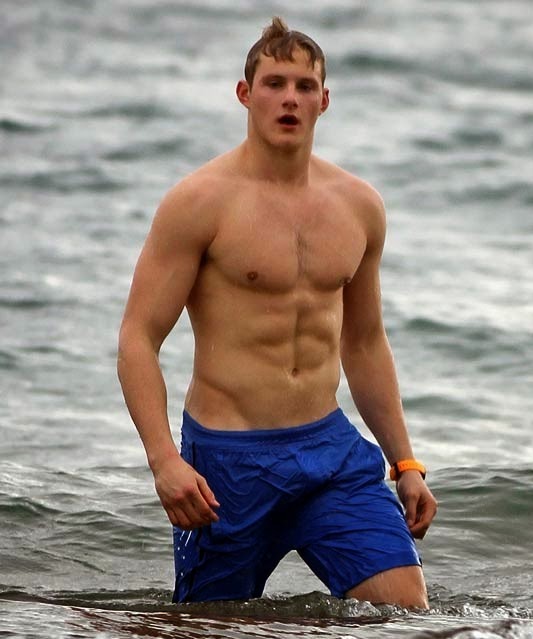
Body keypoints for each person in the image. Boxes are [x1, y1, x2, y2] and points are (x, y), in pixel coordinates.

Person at [117, 16, 437, 609]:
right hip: (227, 466)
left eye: (304, 86)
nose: (290, 98)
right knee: (207, 626)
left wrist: (406, 462)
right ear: (245, 94)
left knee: (405, 613)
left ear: (324, 101)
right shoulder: (199, 202)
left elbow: (365, 343)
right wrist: (164, 461)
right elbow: (138, 338)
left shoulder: (359, 206)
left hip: (329, 451)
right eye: (274, 84)